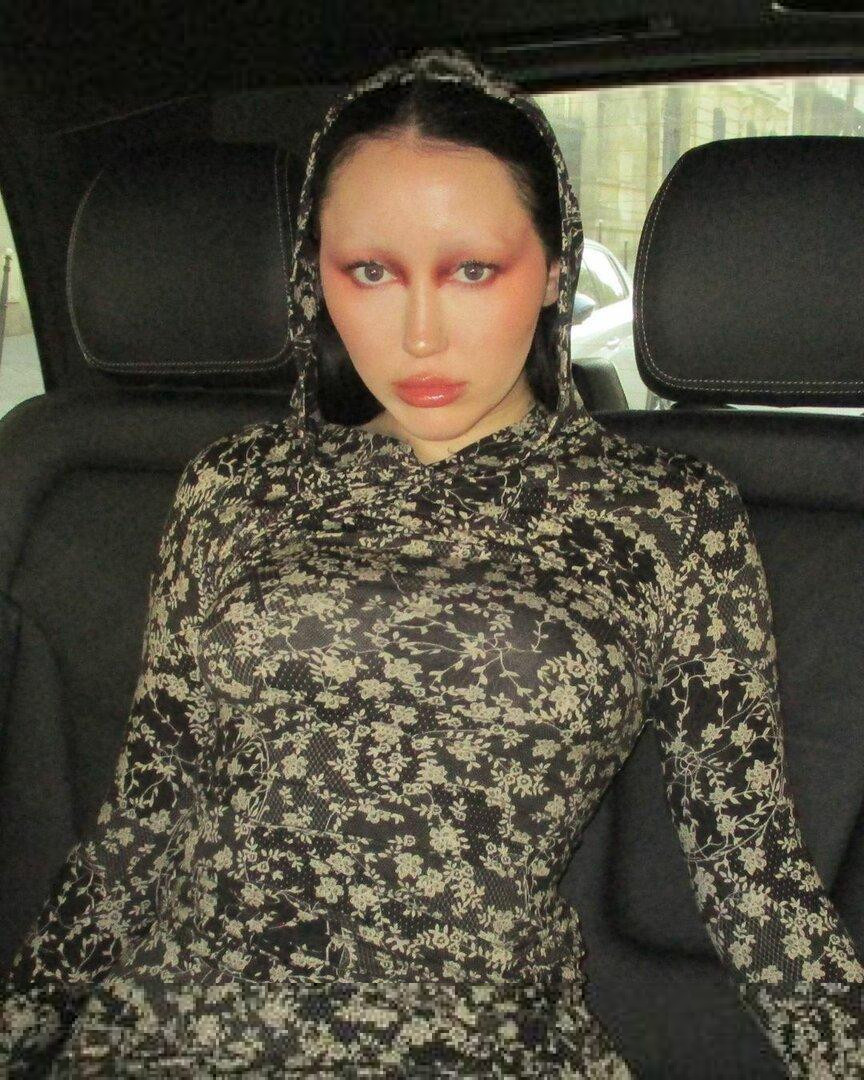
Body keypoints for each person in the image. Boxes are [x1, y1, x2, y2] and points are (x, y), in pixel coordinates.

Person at [2, 46, 863, 1078]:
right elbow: (143, 828)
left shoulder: (667, 519)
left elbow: (751, 879)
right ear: (314, 275)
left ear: (554, 269)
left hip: (479, 1051)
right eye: (370, 271)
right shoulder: (233, 487)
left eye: (472, 270)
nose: (418, 335)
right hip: (167, 1043)